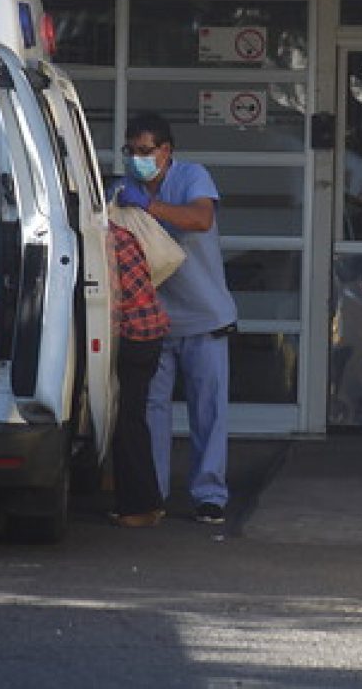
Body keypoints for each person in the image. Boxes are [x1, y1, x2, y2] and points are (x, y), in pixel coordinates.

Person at [116, 112, 236, 524]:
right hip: (155, 321)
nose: (137, 158)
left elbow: (201, 218)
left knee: (208, 410)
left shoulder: (192, 177)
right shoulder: (125, 189)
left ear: (166, 151)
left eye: (145, 151)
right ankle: (154, 494)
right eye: (131, 151)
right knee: (152, 410)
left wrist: (149, 206)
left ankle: (210, 495)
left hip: (205, 317)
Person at [107, 221, 170, 528]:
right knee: (131, 419)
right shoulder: (119, 233)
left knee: (126, 422)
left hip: (135, 336)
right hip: (149, 334)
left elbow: (112, 299)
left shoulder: (104, 241)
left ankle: (141, 506)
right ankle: (144, 502)